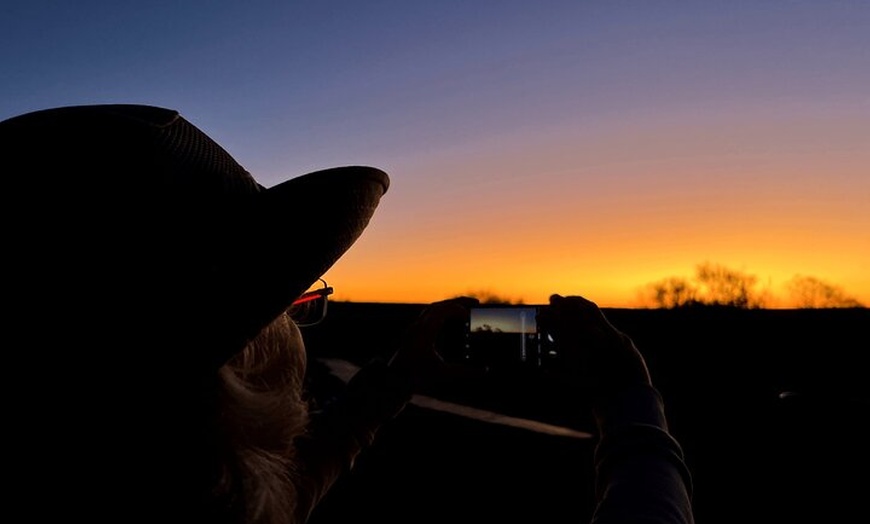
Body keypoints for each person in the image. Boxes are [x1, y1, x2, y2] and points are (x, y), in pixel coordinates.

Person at [1, 104, 693, 524]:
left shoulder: (140, 480)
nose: (296, 328)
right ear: (222, 366)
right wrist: (631, 407)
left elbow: (279, 497)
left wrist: (393, 381)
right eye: (285, 303)